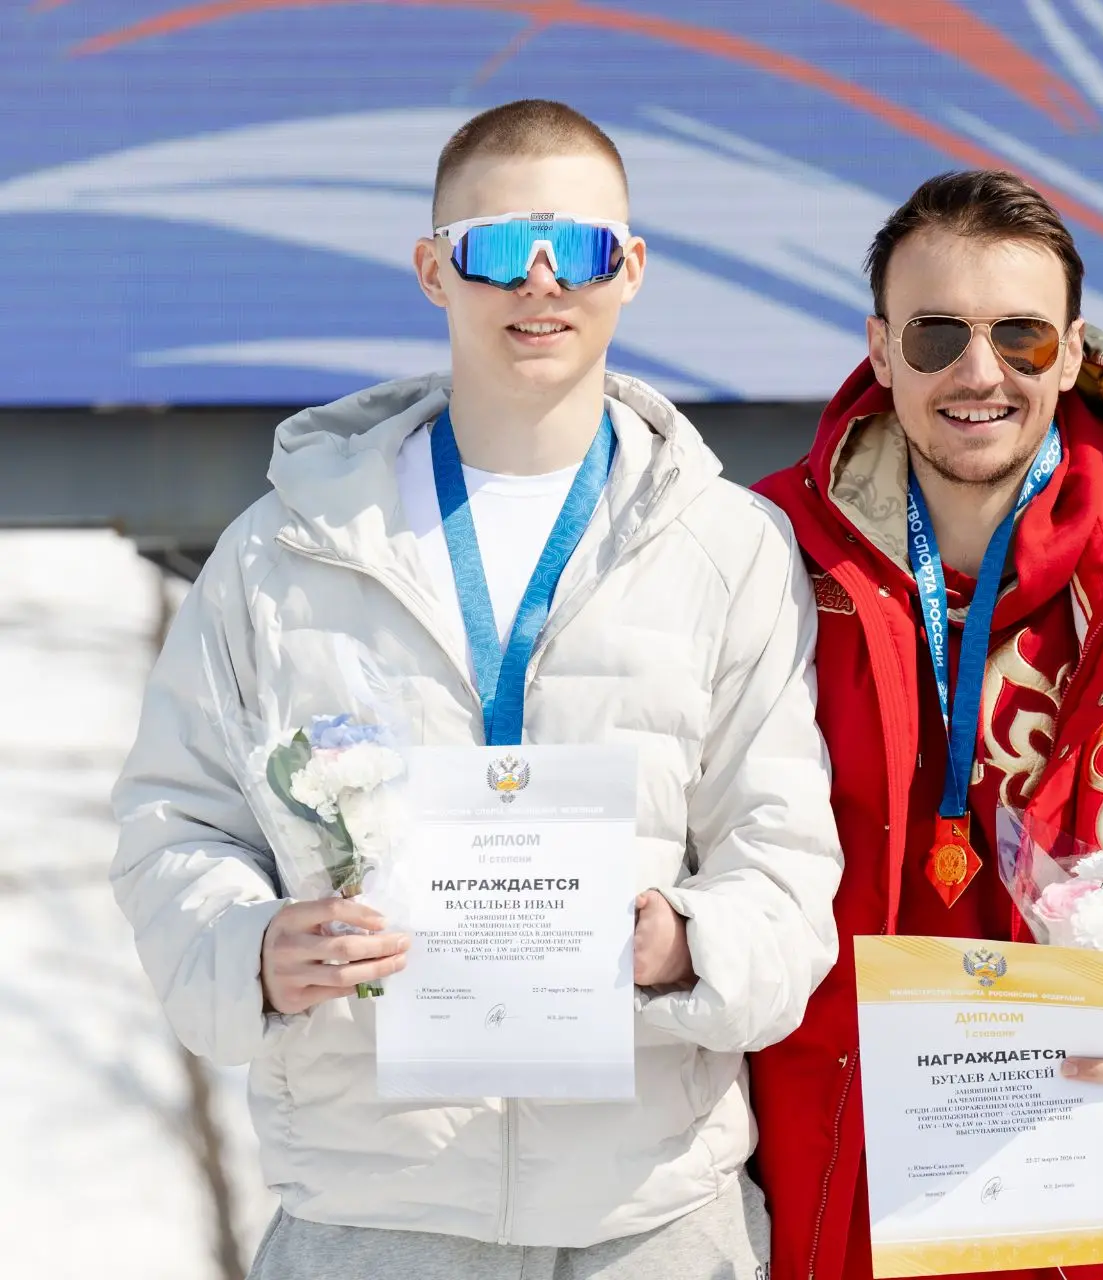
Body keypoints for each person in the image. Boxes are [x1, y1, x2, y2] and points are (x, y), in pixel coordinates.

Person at [110, 99, 842, 1278]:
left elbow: (788, 851)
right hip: (373, 1207)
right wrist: (251, 948)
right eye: (500, 246)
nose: (540, 282)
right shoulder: (285, 550)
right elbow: (173, 824)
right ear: (433, 268)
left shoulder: (731, 547)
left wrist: (687, 942)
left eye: (582, 248)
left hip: (652, 1215)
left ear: (633, 268)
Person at [748, 170, 1103, 1279]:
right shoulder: (763, 561)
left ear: (1074, 352)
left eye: (1021, 337)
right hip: (829, 1179)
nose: (979, 373)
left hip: (1085, 1192)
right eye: (938, 336)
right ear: (879, 350)